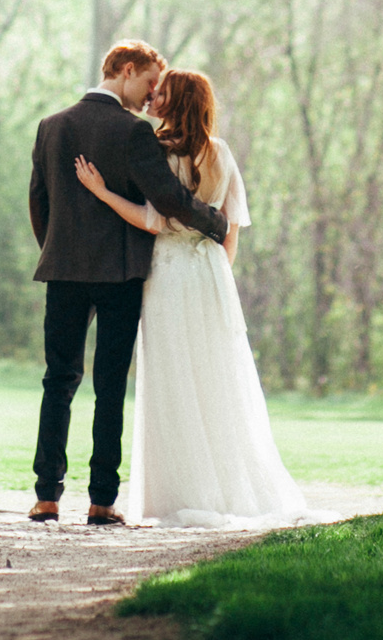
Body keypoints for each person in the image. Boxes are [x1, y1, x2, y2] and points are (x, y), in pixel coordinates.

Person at [73, 68, 306, 526]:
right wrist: (219, 275)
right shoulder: (221, 152)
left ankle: (178, 493)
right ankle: (231, 488)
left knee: (172, 377)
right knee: (217, 375)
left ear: (176, 101)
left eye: (161, 92)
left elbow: (154, 221)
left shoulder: (158, 151)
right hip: (212, 272)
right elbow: (231, 228)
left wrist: (102, 192)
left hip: (170, 270)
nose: (153, 96)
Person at [26, 40, 232, 526]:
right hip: (120, 273)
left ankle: (46, 496)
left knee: (58, 380)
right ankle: (101, 501)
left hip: (64, 271)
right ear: (125, 69)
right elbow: (169, 198)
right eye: (149, 82)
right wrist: (216, 223)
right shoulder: (133, 131)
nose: (151, 95)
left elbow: (39, 202)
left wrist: (58, 250)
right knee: (110, 385)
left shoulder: (51, 126)